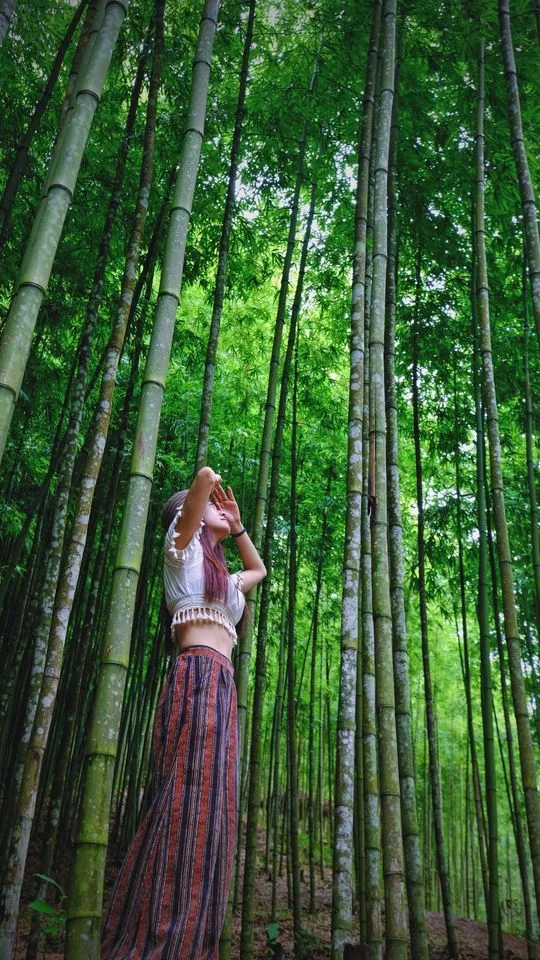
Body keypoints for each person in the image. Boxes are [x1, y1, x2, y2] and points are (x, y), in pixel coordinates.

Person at [101, 466, 267, 960]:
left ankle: (194, 940)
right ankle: (157, 935)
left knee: (214, 808)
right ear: (186, 516)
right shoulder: (182, 553)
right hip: (193, 677)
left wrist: (237, 525)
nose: (218, 507)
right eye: (210, 507)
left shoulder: (225, 579)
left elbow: (259, 571)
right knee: (182, 798)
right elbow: (202, 480)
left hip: (223, 685)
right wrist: (209, 487)